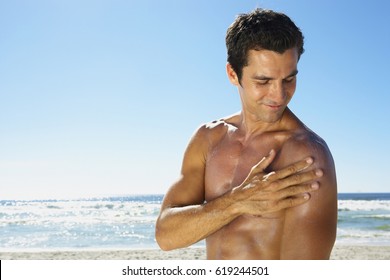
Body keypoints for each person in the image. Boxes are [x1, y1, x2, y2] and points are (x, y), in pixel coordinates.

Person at [155, 8, 337, 260]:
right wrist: (237, 201)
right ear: (233, 74)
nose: (279, 95)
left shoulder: (305, 154)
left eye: (289, 79)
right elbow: (166, 235)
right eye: (263, 81)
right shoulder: (208, 138)